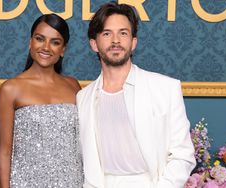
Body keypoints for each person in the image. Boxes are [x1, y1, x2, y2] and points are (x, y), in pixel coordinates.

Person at [76, 2, 196, 188]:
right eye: (107, 33)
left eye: (123, 33)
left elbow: (183, 155)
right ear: (94, 44)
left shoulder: (165, 88)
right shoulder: (83, 97)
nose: (115, 40)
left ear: (133, 42)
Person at [0, 14, 83, 188]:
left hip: (72, 182)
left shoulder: (73, 85)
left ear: (63, 49)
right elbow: (5, 151)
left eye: (55, 42)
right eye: (39, 39)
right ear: (30, 42)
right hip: (26, 182)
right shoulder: (11, 88)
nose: (46, 47)